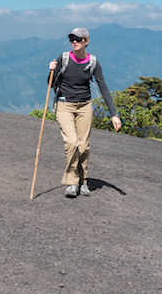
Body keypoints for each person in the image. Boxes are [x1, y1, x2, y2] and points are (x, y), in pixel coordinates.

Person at [48, 28, 121, 198]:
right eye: (72, 38)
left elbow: (103, 87)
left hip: (85, 106)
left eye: (78, 39)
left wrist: (113, 114)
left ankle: (83, 180)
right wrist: (51, 70)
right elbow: (51, 84)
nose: (74, 41)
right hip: (64, 105)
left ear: (86, 41)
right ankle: (73, 182)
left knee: (83, 146)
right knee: (72, 142)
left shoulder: (93, 62)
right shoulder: (64, 58)